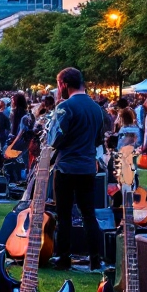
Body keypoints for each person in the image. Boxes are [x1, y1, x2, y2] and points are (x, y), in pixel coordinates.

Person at [46, 68, 104, 271]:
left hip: (66, 167)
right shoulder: (97, 108)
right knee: (89, 214)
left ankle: (63, 258)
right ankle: (96, 259)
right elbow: (98, 140)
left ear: (63, 84)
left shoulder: (65, 107)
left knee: (64, 215)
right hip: (87, 167)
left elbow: (53, 139)